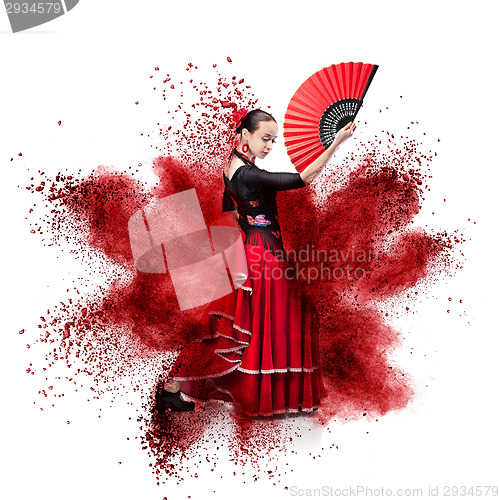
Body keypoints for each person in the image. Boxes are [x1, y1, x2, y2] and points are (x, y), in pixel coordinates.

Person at [155, 109, 356, 415]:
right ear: (245, 135)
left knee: (236, 322)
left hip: (252, 248)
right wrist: (337, 142)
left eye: (273, 141)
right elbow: (305, 177)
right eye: (265, 138)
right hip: (263, 252)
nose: (269, 146)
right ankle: (269, 396)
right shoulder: (247, 173)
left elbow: (230, 210)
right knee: (271, 318)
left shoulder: (231, 166)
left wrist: (250, 232)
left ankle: (173, 386)